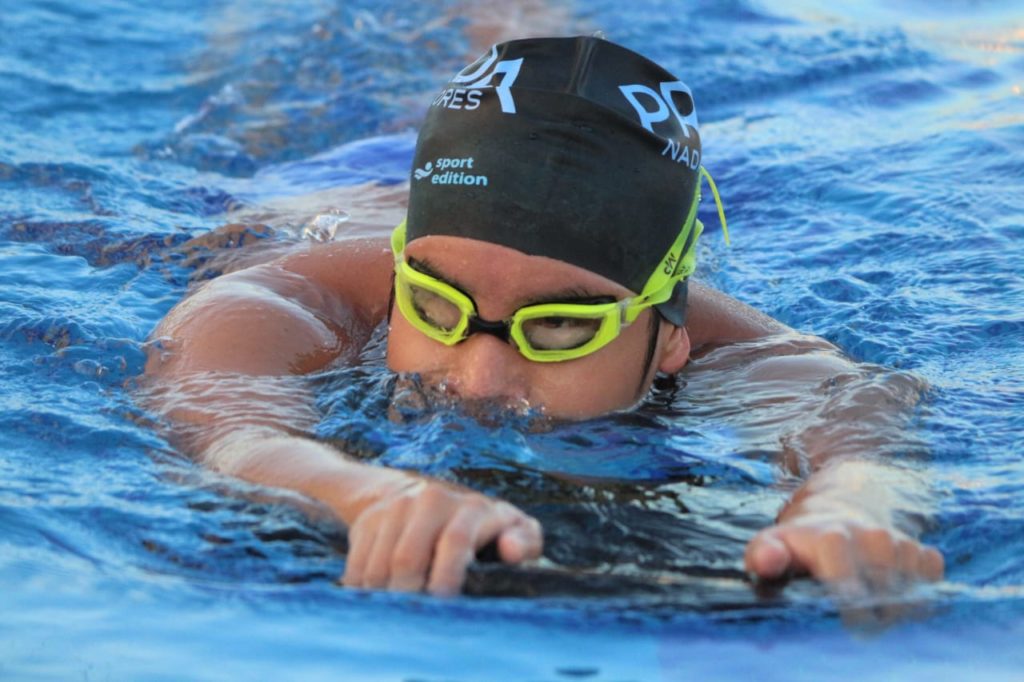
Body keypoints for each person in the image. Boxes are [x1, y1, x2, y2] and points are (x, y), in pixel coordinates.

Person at [144, 36, 944, 598]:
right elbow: (233, 432)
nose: (478, 381)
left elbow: (858, 423)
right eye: (435, 305)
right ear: (400, 269)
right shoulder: (278, 297)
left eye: (559, 326)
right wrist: (356, 491)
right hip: (308, 185)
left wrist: (849, 505)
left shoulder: (733, 346)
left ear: (668, 336)